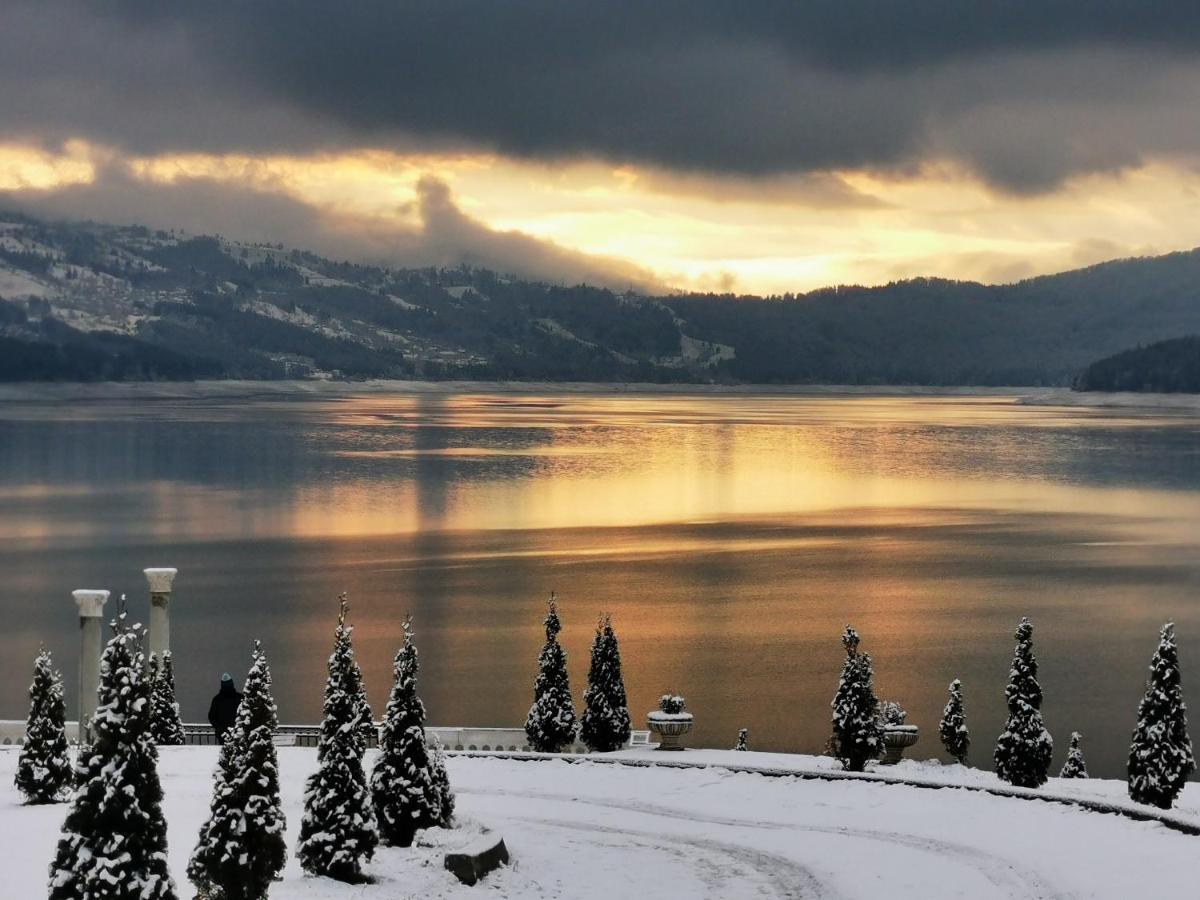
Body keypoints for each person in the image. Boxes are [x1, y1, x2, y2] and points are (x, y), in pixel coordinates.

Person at [207, 673, 242, 743]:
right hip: (238, 733)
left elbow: (211, 717)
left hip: (222, 734)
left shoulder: (217, 700)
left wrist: (220, 729)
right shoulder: (240, 698)